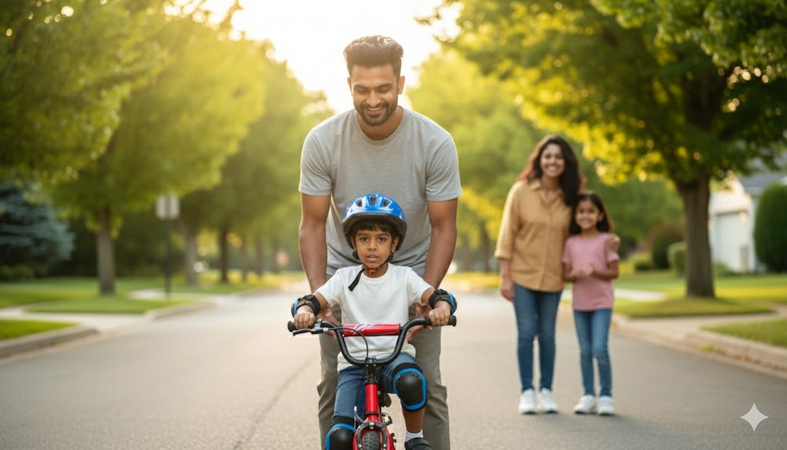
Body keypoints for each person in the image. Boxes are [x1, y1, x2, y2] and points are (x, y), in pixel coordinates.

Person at [298, 35, 461, 449]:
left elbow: (444, 226)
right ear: (349, 84)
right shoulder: (322, 141)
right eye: (362, 89)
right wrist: (321, 301)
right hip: (344, 276)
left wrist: (428, 298)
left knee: (426, 385)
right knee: (334, 385)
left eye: (384, 89)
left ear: (401, 84)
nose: (373, 100)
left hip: (414, 274)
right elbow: (313, 225)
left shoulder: (435, 142)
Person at [293, 194, 457, 450]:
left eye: (381, 239)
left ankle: (414, 437)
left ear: (394, 244)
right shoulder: (343, 277)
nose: (372, 247)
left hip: (395, 357)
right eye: (364, 239)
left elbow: (437, 296)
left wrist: (442, 307)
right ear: (352, 242)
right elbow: (313, 300)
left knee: (412, 381)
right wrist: (304, 309)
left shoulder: (404, 277)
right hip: (353, 364)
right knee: (339, 437)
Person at [494, 135, 584, 414]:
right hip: (522, 274)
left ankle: (546, 390)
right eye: (548, 156)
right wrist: (505, 276)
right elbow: (507, 234)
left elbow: (580, 233)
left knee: (547, 335)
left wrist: (607, 243)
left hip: (554, 277)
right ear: (540, 160)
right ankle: (527, 392)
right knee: (526, 333)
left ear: (565, 162)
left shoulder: (570, 199)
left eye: (558, 157)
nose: (553, 161)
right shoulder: (521, 191)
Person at [562, 192, 619, 416]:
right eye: (581, 212)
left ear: (600, 214)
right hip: (579, 305)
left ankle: (606, 396)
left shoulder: (607, 240)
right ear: (575, 216)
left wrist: (596, 271)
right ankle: (588, 395)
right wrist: (575, 274)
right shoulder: (571, 243)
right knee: (585, 351)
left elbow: (615, 272)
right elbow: (566, 275)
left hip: (602, 304)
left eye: (591, 211)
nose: (586, 216)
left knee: (600, 349)